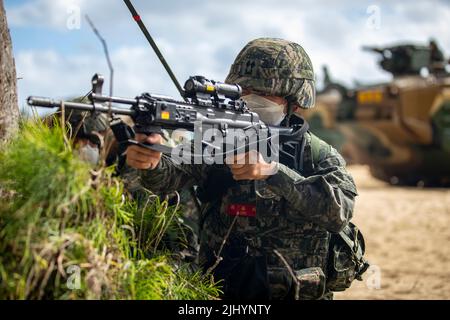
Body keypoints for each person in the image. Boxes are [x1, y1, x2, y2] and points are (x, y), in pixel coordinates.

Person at [123, 38, 358, 299]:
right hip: (222, 291)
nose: (250, 98)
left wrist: (272, 172)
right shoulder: (218, 139)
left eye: (264, 93)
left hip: (294, 291)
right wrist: (151, 160)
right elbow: (169, 178)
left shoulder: (316, 155)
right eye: (243, 89)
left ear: (295, 101)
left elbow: (339, 213)